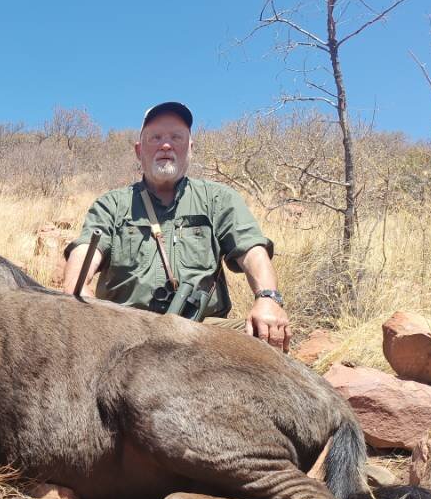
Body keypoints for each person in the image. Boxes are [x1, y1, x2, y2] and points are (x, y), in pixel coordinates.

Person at [62, 101, 291, 352]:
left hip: (201, 328)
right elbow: (85, 250)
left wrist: (268, 299)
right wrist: (79, 292)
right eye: (156, 137)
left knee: (269, 339)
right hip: (125, 330)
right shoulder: (112, 203)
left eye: (176, 137)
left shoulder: (218, 198)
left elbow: (251, 250)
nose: (166, 145)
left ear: (190, 148)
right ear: (139, 151)